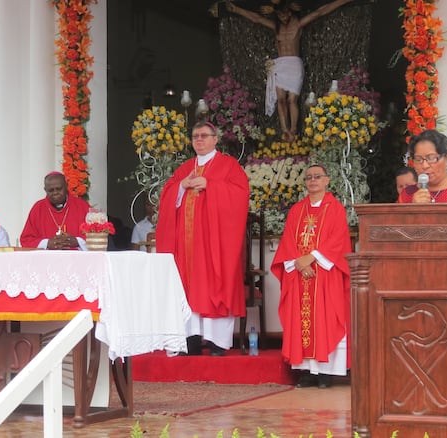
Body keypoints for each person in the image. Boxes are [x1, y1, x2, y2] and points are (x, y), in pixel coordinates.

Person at [156, 121, 250, 356]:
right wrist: (181, 186)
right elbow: (167, 196)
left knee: (214, 284)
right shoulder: (185, 167)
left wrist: (211, 185)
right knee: (187, 287)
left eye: (204, 136)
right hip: (186, 246)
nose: (199, 140)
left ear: (215, 139)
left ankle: (218, 341)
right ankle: (191, 338)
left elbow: (240, 195)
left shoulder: (228, 166)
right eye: (195, 136)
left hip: (214, 243)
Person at [226, 0, 354, 141]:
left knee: (292, 100)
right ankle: (285, 130)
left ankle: (293, 130)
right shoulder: (276, 27)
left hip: (294, 64)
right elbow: (257, 19)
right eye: (281, 15)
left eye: (286, 14)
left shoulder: (298, 24)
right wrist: (237, 10)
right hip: (280, 65)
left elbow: (320, 12)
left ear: (291, 11)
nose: (284, 18)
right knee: (281, 100)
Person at [271, 164, 351, 388]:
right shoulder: (297, 210)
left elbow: (338, 240)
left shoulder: (335, 209)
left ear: (327, 180)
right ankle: (306, 372)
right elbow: (288, 239)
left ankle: (325, 373)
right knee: (301, 322)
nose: (313, 180)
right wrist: (299, 262)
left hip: (325, 274)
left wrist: (312, 258)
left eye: (317, 177)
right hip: (300, 275)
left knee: (325, 319)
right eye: (309, 177)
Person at [20, 171, 91, 250]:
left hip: (77, 260)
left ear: (66, 186)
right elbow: (26, 240)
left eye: (59, 189)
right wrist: (47, 243)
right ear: (45, 190)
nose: (55, 193)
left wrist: (77, 241)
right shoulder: (38, 208)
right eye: (51, 190)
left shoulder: (82, 206)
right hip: (46, 261)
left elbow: (96, 236)